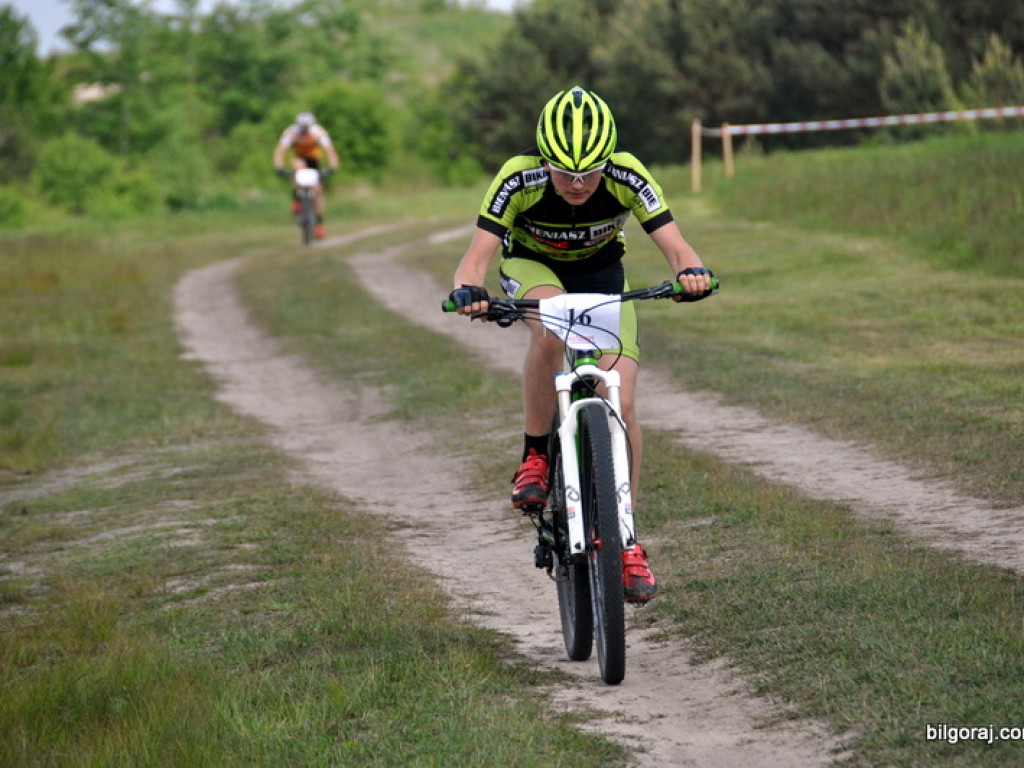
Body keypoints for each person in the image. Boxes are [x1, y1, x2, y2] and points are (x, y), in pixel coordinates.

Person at [448, 86, 714, 602]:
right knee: (550, 328)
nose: (575, 183)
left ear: (607, 161)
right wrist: (469, 290)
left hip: (602, 274)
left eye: (588, 172)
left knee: (624, 398)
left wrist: (692, 273)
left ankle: (627, 540)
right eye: (562, 171)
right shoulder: (517, 176)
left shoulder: (628, 174)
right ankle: (535, 457)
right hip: (532, 266)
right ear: (542, 160)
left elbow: (678, 247)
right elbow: (476, 256)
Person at [273, 111, 340, 240]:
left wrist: (333, 166)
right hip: (300, 159)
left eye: (306, 126)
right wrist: (279, 166)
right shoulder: (292, 132)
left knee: (318, 190)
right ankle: (297, 199)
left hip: (314, 160)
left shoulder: (318, 132)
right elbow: (280, 150)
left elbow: (330, 150)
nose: (304, 129)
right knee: (296, 169)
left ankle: (319, 224)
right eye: (302, 126)